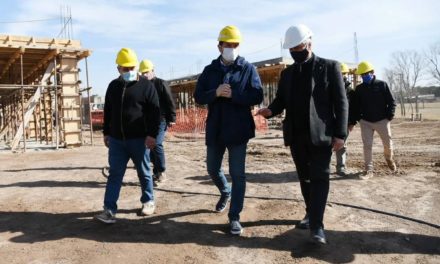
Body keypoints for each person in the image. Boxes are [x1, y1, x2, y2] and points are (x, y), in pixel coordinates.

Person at [256, 24, 348, 244]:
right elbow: (281, 101)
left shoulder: (329, 67)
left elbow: (341, 103)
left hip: (321, 135)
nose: (296, 52)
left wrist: (340, 134)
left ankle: (317, 226)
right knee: (305, 178)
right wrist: (269, 110)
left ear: (309, 43)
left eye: (299, 48)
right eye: (292, 49)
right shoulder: (287, 74)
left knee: (320, 177)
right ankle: (311, 213)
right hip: (296, 135)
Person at [194, 25, 263, 235]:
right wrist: (215, 92)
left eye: (235, 45)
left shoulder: (247, 69)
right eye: (228, 45)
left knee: (238, 174)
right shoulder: (209, 70)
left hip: (238, 130)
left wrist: (234, 96)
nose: (231, 48)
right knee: (212, 168)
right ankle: (225, 191)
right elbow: (198, 97)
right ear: (219, 47)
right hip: (216, 129)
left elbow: (257, 96)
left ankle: (234, 217)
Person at [94, 48, 161, 224]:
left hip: (140, 139)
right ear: (118, 69)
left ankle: (148, 201)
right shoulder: (113, 87)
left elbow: (155, 113)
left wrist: (152, 135)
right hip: (117, 140)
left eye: (132, 67)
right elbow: (108, 111)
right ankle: (109, 210)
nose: (130, 71)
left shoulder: (146, 86)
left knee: (144, 172)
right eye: (126, 68)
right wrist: (106, 132)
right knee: (115, 174)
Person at [348, 61, 397, 180]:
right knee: (367, 146)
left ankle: (389, 158)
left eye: (366, 74)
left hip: (382, 121)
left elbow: (392, 102)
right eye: (362, 75)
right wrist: (357, 119)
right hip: (366, 122)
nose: (364, 76)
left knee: (388, 144)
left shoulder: (382, 85)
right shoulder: (359, 89)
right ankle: (368, 170)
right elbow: (355, 106)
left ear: (372, 72)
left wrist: (389, 116)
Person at [139, 59, 176, 186]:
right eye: (142, 72)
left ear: (152, 71)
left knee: (157, 144)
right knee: (150, 145)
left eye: (146, 72)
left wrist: (172, 118)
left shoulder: (161, 83)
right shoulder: (141, 85)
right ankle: (155, 171)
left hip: (161, 119)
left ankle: (161, 171)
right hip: (147, 122)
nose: (144, 75)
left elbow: (169, 100)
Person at [335, 63, 354, 176]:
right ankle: (323, 167)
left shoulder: (350, 91)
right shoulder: (328, 88)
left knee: (342, 145)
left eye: (343, 74)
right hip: (329, 122)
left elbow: (353, 108)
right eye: (339, 74)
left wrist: (352, 122)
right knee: (326, 145)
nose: (342, 76)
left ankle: (340, 168)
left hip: (344, 123)